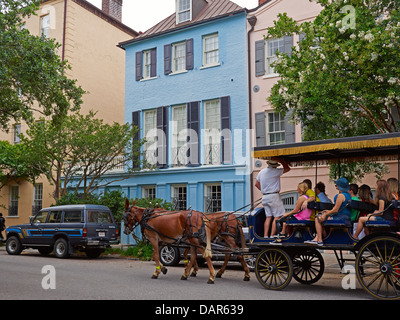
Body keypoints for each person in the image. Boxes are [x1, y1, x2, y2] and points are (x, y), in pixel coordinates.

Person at [304, 177, 352, 246]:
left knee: (318, 218)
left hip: (340, 217)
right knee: (322, 217)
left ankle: (319, 240)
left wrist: (326, 214)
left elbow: (336, 210)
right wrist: (328, 211)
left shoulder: (340, 196)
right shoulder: (348, 195)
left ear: (339, 186)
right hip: (346, 216)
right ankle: (319, 237)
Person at [255, 158, 291, 238]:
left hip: (265, 196)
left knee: (268, 217)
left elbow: (256, 184)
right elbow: (288, 169)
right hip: (273, 196)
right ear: (275, 166)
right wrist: (282, 161)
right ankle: (271, 235)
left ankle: (265, 236)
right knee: (277, 216)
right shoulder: (275, 171)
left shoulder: (261, 172)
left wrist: (265, 191)